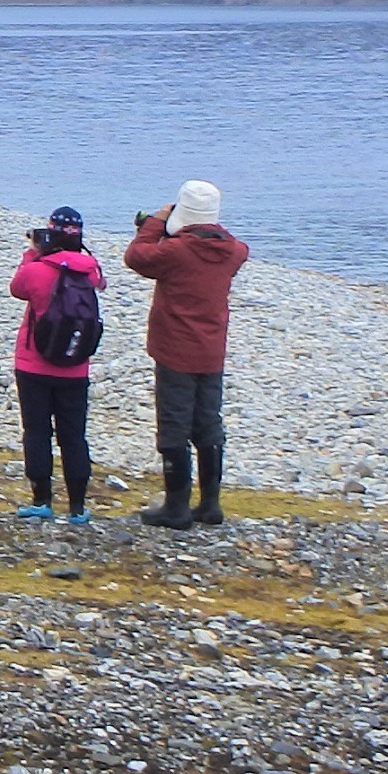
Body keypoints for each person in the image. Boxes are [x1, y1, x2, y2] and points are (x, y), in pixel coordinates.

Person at [124, 180, 252, 527]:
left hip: (175, 349)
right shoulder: (234, 251)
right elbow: (221, 243)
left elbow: (136, 257)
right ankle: (210, 503)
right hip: (211, 351)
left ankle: (176, 506)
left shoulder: (175, 252)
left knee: (174, 426)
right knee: (209, 423)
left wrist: (157, 222)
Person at [7, 206, 109, 520]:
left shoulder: (38, 269)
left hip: (34, 364)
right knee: (74, 435)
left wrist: (32, 254)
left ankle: (42, 500)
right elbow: (101, 283)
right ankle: (78, 506)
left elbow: (17, 288)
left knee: (37, 431)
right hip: (76, 365)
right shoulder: (89, 270)